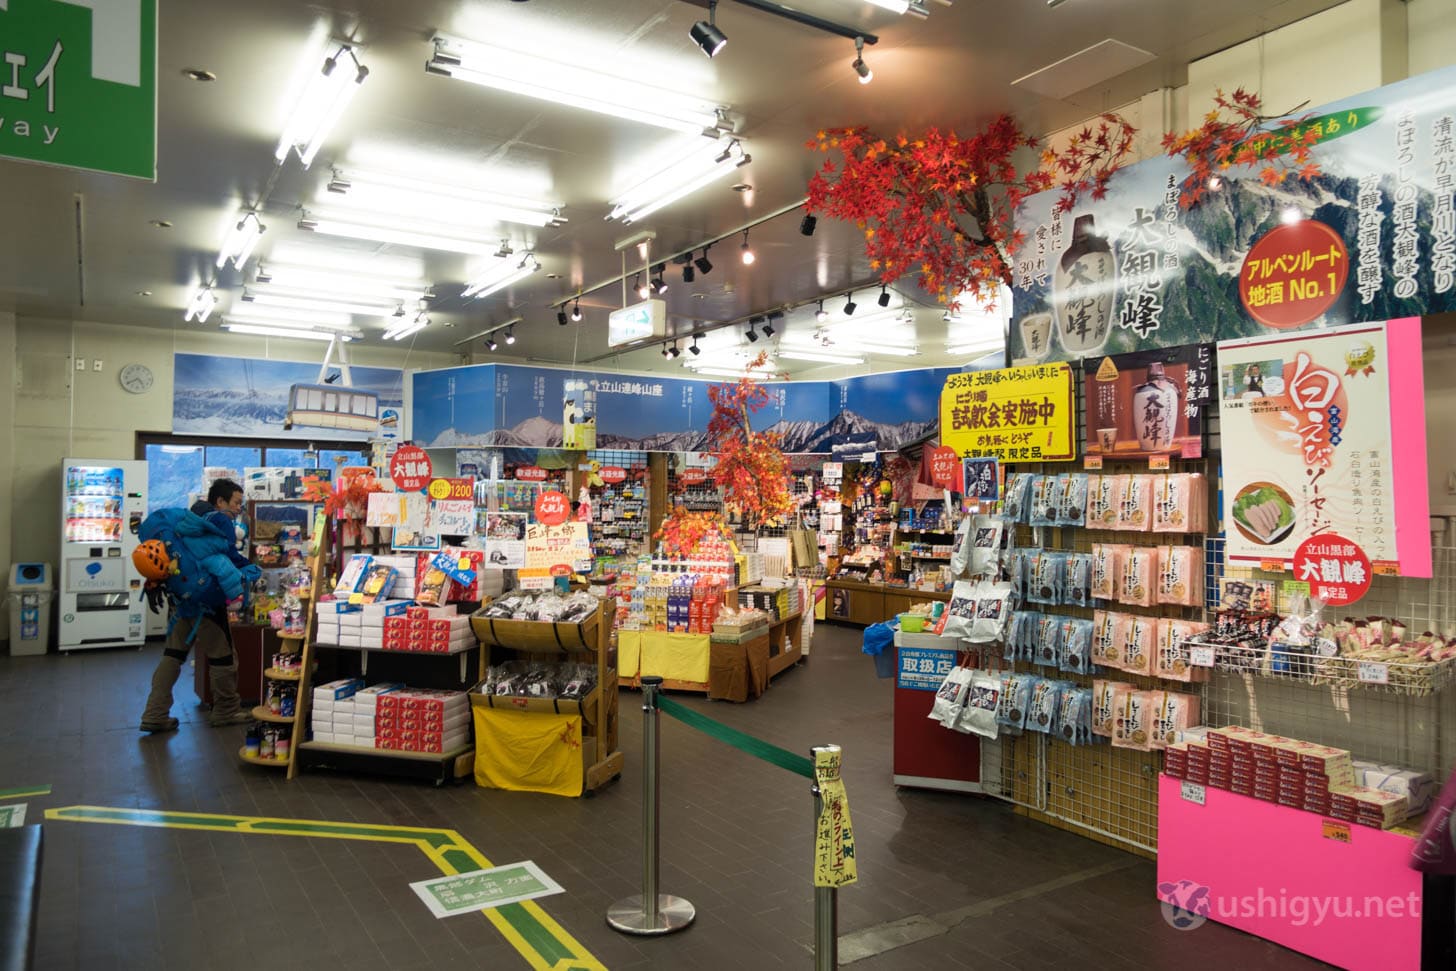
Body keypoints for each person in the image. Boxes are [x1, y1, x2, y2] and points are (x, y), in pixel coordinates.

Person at [139, 478, 259, 732]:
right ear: (220, 501)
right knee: (224, 656)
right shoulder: (220, 520)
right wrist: (250, 569)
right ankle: (226, 709)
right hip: (207, 601)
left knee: (173, 656)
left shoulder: (189, 516)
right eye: (237, 502)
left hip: (181, 599)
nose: (239, 508)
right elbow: (227, 555)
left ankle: (154, 712)